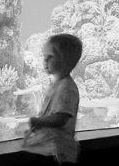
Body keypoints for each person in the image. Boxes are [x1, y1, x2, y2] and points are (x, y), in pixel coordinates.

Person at [22, 33, 82, 165]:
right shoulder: (58, 85)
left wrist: (38, 121)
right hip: (52, 148)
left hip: (59, 153)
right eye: (44, 56)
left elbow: (61, 118)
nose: (45, 60)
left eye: (50, 57)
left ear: (65, 60)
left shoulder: (66, 87)